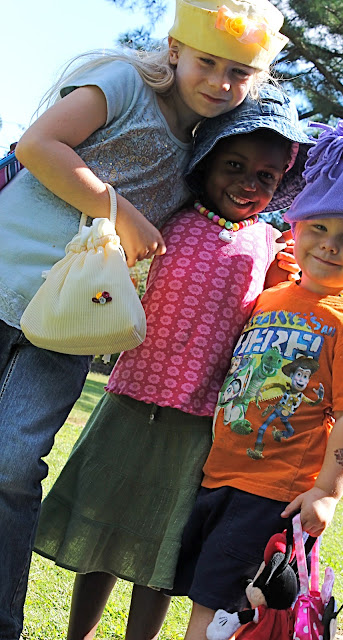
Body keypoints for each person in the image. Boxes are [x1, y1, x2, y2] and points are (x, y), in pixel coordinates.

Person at [0, 1, 290, 637]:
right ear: (176, 50)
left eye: (239, 72)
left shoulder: (209, 148)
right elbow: (37, 145)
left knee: (13, 465)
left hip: (76, 320)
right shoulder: (123, 83)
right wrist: (118, 209)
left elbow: (223, 230)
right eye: (208, 61)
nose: (220, 82)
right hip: (5, 277)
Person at [166, 119, 343, 640]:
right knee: (211, 602)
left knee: (222, 612)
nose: (329, 245)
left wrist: (327, 492)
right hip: (219, 476)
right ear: (295, 228)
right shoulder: (271, 298)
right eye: (318, 228)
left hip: (276, 493)